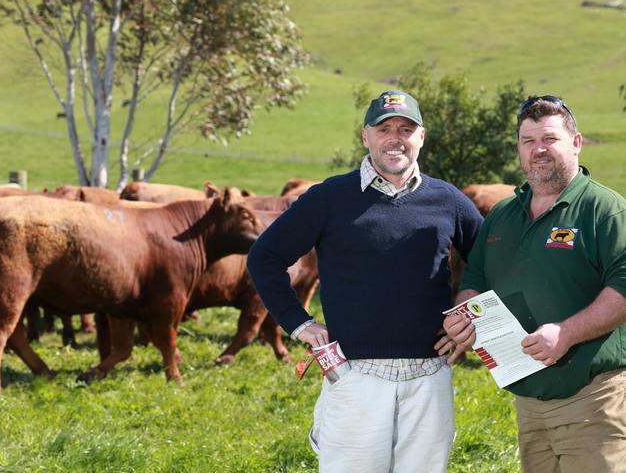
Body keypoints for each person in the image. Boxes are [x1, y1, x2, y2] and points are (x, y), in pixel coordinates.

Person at [247, 90, 483, 472]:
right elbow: (264, 257)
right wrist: (299, 323)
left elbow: (491, 261)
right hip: (356, 376)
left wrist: (471, 316)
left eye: (406, 129)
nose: (396, 137)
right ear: (365, 136)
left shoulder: (448, 200)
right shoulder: (329, 197)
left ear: (420, 137)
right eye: (384, 128)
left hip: (430, 376)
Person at [438, 95, 626, 472]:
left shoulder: (604, 209)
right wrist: (465, 313)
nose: (539, 149)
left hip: (593, 400)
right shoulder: (503, 214)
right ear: (519, 150)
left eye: (550, 139)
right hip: (528, 404)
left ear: (576, 143)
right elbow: (475, 277)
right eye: (528, 141)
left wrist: (567, 333)